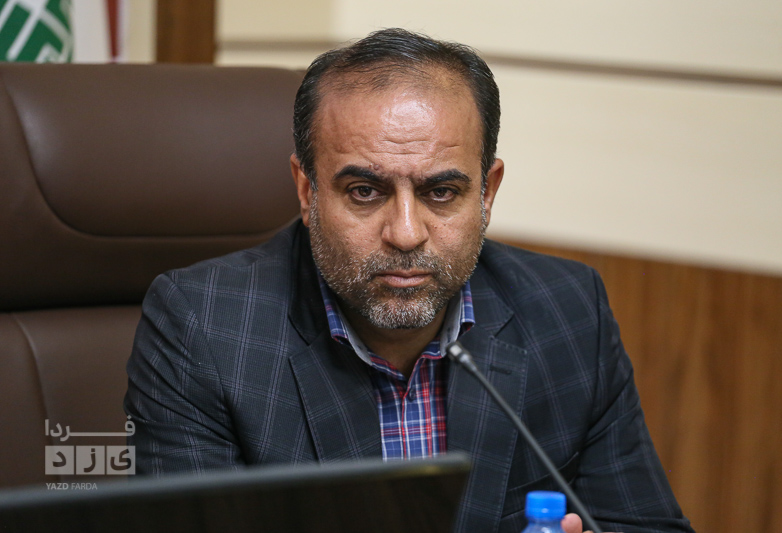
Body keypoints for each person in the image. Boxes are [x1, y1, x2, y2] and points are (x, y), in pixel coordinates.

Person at [125, 28, 693, 533]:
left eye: (440, 192)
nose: (405, 233)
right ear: (306, 190)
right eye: (364, 191)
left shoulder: (568, 311)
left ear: (487, 192)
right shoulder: (203, 326)